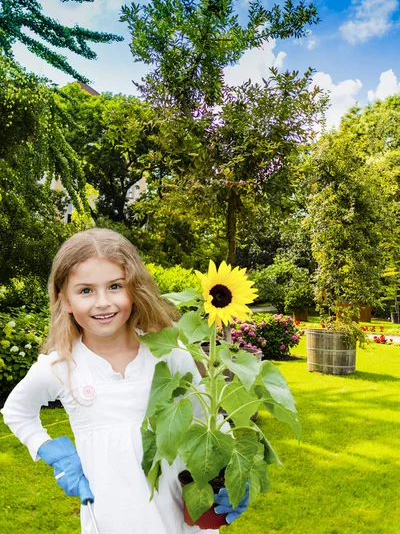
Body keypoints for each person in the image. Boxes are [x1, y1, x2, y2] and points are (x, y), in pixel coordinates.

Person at [1, 228, 248, 534]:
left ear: (134, 289)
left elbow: (204, 419)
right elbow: (16, 411)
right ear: (64, 299)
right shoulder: (61, 366)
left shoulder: (168, 352)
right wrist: (49, 449)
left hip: (178, 519)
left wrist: (232, 474)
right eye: (85, 291)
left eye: (115, 286)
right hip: (110, 520)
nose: (102, 302)